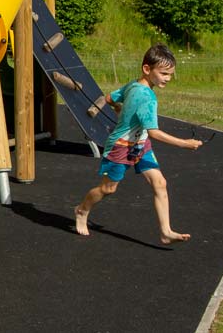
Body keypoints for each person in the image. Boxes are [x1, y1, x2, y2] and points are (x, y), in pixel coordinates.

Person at [74, 43, 202, 244]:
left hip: (140, 145)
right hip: (120, 146)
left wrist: (119, 108)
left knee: (159, 183)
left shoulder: (133, 85)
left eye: (170, 74)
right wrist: (184, 143)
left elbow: (110, 98)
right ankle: (82, 210)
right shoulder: (147, 98)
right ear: (146, 69)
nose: (168, 79)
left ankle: (165, 232)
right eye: (164, 74)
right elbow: (154, 132)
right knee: (108, 189)